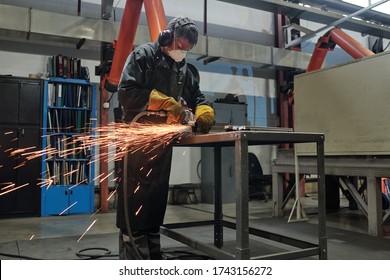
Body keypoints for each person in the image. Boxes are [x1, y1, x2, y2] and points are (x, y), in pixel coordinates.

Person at [116, 16, 215, 260]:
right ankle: (134, 260)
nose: (182, 52)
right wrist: (163, 102)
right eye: (179, 46)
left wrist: (204, 110)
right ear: (166, 37)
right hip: (136, 139)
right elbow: (126, 92)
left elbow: (197, 97)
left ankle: (153, 256)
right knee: (135, 200)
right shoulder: (143, 56)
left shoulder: (185, 68)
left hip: (162, 142)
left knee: (156, 198)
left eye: (187, 49)